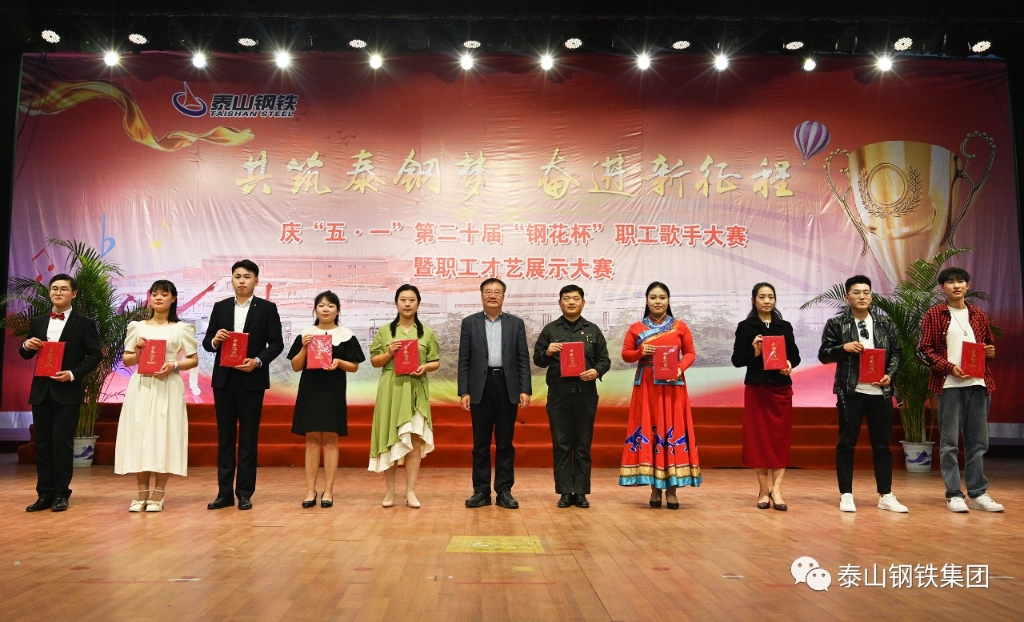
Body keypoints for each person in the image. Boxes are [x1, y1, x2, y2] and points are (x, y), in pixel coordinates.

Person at [818, 275, 907, 513]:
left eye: (866, 292)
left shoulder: (884, 322)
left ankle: (886, 494)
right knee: (847, 444)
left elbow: (897, 352)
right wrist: (843, 348)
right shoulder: (837, 323)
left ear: (872, 296)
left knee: (882, 446)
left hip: (880, 392)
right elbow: (824, 354)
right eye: (856, 293)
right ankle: (846, 494)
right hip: (851, 392)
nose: (862, 297)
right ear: (847, 297)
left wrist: (890, 375)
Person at [918, 267, 1003, 513]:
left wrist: (990, 352)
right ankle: (954, 494)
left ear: (967, 285)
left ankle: (977, 493)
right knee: (949, 443)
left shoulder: (978, 314)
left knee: (978, 442)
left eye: (961, 281)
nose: (956, 285)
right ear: (942, 287)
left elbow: (987, 346)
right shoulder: (935, 314)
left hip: (979, 384)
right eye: (951, 282)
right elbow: (925, 350)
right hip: (949, 385)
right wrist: (949, 367)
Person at [202, 260, 284, 511]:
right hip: (224, 380)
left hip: (251, 380)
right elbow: (207, 342)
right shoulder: (221, 307)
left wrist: (257, 361)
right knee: (225, 439)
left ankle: (245, 493)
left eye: (247, 276)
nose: (241, 281)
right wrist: (215, 340)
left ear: (256, 281)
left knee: (248, 439)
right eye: (237, 276)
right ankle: (224, 493)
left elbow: (276, 344)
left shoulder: (267, 308)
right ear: (232, 280)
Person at [19, 274, 102, 512]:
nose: (58, 292)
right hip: (41, 391)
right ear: (49, 293)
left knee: (62, 444)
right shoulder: (38, 321)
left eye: (64, 289)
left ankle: (61, 494)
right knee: (42, 445)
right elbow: (25, 353)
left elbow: (95, 355)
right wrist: (26, 345)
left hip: (67, 391)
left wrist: (73, 374)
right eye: (54, 288)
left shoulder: (84, 323)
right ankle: (44, 494)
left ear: (73, 294)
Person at [116, 280, 199, 512]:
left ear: (173, 298)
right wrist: (138, 352)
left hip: (167, 386)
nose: (158, 298)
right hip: (142, 385)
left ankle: (158, 493)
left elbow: (193, 359)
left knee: (164, 435)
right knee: (140, 435)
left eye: (164, 294)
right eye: (154, 294)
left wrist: (173, 365)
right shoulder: (137, 326)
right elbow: (128, 360)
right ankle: (141, 492)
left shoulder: (181, 328)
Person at [618, 282, 701, 509]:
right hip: (647, 386)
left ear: (668, 300)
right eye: (653, 297)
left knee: (672, 429)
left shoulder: (680, 327)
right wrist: (640, 352)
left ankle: (672, 490)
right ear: (647, 300)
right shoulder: (636, 328)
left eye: (662, 297)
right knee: (651, 428)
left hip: (673, 385)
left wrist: (680, 368)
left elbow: (690, 353)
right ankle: (654, 489)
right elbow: (626, 355)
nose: (657, 301)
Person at [533, 284, 610, 509]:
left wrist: (596, 371)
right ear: (560, 303)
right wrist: (547, 351)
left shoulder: (593, 330)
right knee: (562, 444)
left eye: (576, 299)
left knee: (583, 445)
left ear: (583, 303)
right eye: (566, 298)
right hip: (559, 395)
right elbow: (538, 359)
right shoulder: (550, 330)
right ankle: (565, 492)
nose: (571, 302)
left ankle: (581, 492)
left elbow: (604, 359)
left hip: (586, 394)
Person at [459, 278, 532, 509]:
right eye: (488, 292)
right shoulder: (469, 323)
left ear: (503, 296)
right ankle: (481, 491)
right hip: (480, 387)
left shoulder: (515, 323)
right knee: (480, 443)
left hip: (507, 386)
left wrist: (524, 388)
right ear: (481, 296)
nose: (492, 295)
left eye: (497, 292)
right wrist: (464, 390)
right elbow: (464, 359)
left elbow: (522, 358)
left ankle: (504, 491)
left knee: (505, 443)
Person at [288, 291, 365, 509]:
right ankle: (310, 490)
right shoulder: (306, 334)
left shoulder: (346, 335)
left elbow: (354, 366)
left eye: (331, 306)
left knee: (331, 440)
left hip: (333, 391)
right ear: (315, 309)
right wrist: (305, 347)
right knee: (311, 440)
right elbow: (295, 366)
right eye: (321, 305)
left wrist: (339, 362)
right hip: (310, 391)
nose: (325, 309)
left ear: (338, 310)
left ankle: (329, 490)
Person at [368, 285, 440, 508]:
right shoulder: (385, 331)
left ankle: (410, 491)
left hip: (416, 388)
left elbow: (435, 361)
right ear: (396, 303)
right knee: (390, 438)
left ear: (418, 303)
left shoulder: (426, 332)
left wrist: (425, 367)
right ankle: (390, 491)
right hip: (391, 387)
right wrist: (389, 353)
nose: (407, 304)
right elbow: (374, 361)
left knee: (414, 439)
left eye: (412, 300)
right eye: (403, 299)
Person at [731, 282, 801, 511]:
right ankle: (763, 490)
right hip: (757, 388)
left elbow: (795, 356)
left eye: (771, 296)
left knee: (780, 439)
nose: (767, 300)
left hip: (780, 389)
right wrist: (755, 352)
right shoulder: (746, 327)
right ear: (753, 300)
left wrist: (789, 363)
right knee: (758, 439)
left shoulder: (784, 326)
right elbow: (737, 360)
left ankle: (777, 491)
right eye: (762, 297)